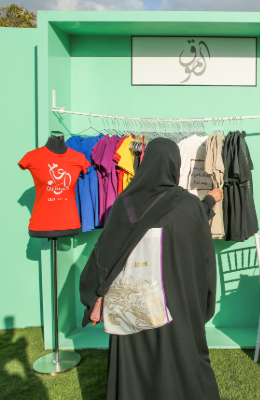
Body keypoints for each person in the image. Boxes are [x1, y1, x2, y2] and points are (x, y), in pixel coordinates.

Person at [79, 138, 222, 400]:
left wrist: (94, 294)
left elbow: (105, 253)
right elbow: (205, 258)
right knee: (184, 358)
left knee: (137, 362)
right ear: (174, 165)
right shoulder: (189, 205)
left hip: (135, 304)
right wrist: (205, 301)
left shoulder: (126, 203)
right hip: (180, 304)